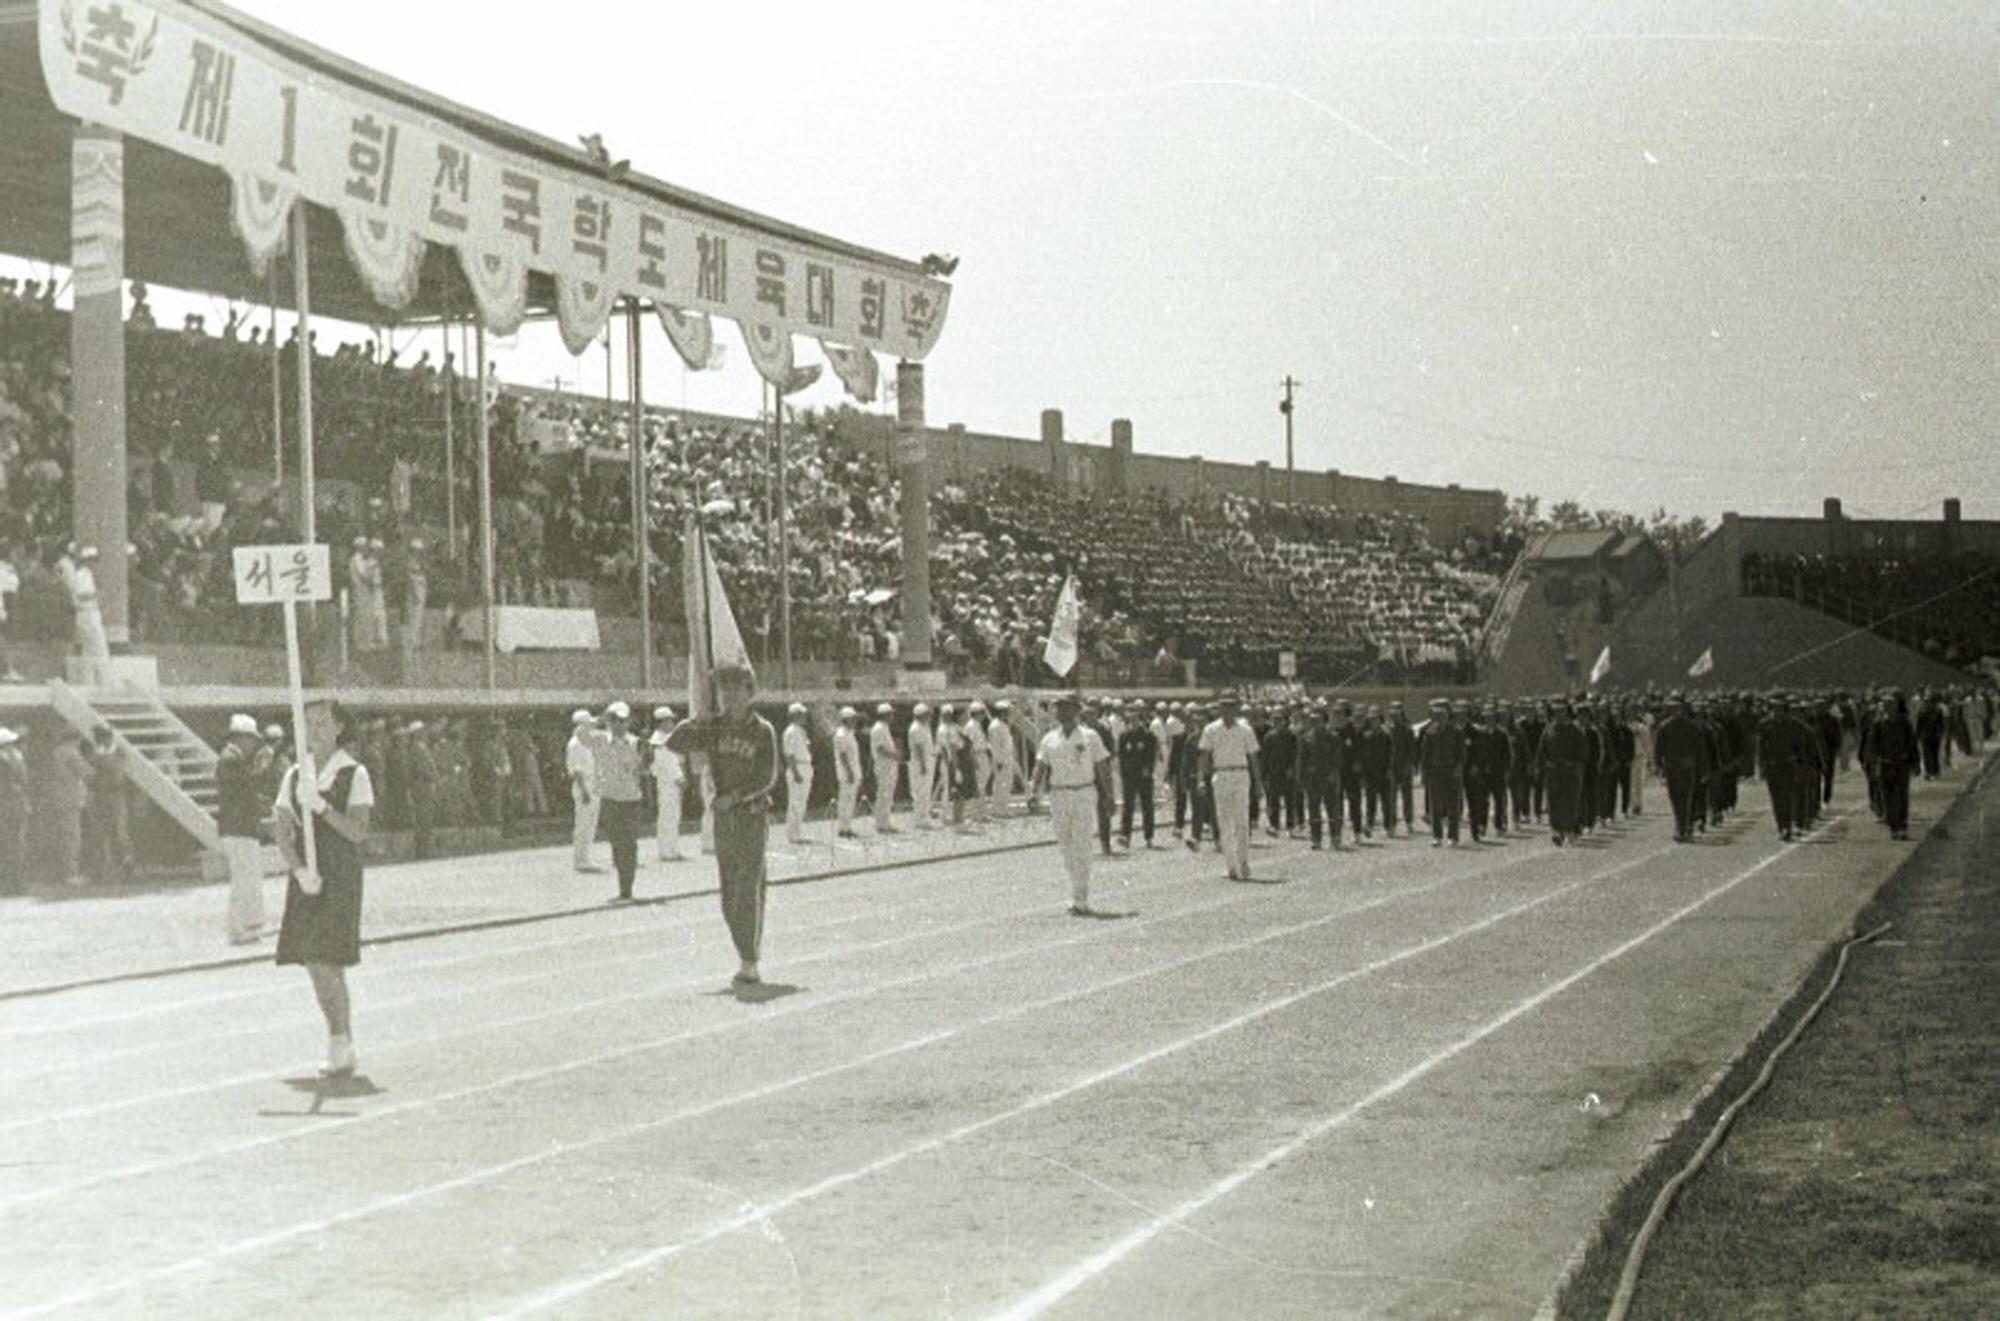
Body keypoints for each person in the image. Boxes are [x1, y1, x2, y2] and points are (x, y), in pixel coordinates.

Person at [273, 698, 374, 1078]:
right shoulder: (295, 775)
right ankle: (342, 1043)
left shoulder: (354, 774)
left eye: (321, 723)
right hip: (308, 877)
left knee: (323, 960)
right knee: (319, 963)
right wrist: (298, 869)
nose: (313, 731)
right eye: (308, 723)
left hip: (340, 873)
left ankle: (339, 1041)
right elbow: (282, 830)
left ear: (338, 729)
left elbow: (358, 831)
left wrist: (321, 808)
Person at [665, 663, 779, 985]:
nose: (729, 696)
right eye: (723, 690)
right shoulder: (714, 727)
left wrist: (738, 796)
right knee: (728, 895)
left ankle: (749, 959)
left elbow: (768, 776)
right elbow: (675, 743)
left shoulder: (762, 730)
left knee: (748, 889)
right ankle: (745, 951)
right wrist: (695, 719)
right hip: (723, 819)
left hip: (751, 816)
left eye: (735, 689)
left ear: (748, 692)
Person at [1030, 692, 1112, 915]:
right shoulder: (1049, 738)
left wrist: (1108, 796)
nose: (1062, 712)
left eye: (1067, 707)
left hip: (1083, 791)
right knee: (1065, 845)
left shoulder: (1089, 736)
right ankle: (1075, 891)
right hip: (1059, 794)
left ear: (1077, 711)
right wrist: (1033, 792)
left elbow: (1102, 767)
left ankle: (1080, 898)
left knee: (1082, 844)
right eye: (1059, 707)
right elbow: (1040, 766)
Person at [216, 712, 270, 943]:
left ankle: (246, 923)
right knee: (241, 878)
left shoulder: (234, 759)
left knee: (247, 877)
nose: (252, 745)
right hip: (237, 827)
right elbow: (242, 791)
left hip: (240, 827)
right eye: (250, 740)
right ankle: (237, 928)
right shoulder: (230, 759)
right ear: (241, 738)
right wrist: (259, 771)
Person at [1198, 694, 1263, 881]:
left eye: (1231, 706)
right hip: (1221, 773)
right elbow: (1204, 755)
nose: (1227, 710)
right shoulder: (1211, 729)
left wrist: (1258, 783)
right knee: (1223, 821)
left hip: (1240, 773)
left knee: (1242, 821)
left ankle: (1243, 861)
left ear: (1236, 708)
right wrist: (1202, 779)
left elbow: (1253, 757)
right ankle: (1231, 866)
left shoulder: (1245, 729)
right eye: (1224, 706)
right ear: (1219, 708)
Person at [597, 701, 644, 899]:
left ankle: (627, 890)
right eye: (614, 720)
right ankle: (622, 884)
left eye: (622, 721)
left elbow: (644, 767)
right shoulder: (600, 741)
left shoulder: (635, 743)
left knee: (629, 844)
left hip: (630, 800)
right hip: (610, 799)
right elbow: (580, 733)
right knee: (616, 843)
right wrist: (598, 719)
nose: (618, 725)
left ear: (628, 723)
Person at [82, 726, 134, 883]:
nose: (100, 741)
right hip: (99, 796)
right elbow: (89, 772)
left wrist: (101, 759)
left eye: (102, 737)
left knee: (119, 831)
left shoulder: (118, 752)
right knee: (99, 832)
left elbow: (116, 772)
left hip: (115, 795)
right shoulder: (96, 752)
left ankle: (126, 865)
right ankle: (102, 868)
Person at [49, 728, 91, 886]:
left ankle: (62, 872)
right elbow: (87, 772)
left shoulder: (56, 752)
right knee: (72, 838)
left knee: (63, 836)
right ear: (75, 739)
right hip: (71, 799)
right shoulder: (71, 753)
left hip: (59, 798)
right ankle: (70, 874)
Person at [1117, 698, 1160, 848]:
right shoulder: (1124, 736)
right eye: (1130, 718)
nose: (1133, 721)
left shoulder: (1148, 736)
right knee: (1127, 806)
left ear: (1140, 719)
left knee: (1147, 805)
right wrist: (1122, 773)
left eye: (1136, 718)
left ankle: (1149, 836)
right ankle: (1125, 835)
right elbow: (1121, 757)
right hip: (1129, 776)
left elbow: (1151, 755)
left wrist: (1148, 769)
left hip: (1144, 775)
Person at [68, 545, 112, 687]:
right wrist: (97, 594)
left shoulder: (88, 574)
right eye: (93, 560)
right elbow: (80, 595)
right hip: (87, 613)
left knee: (88, 651)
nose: (96, 563)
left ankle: (88, 683)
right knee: (100, 648)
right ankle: (105, 682)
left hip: (90, 613)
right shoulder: (83, 574)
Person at [648, 705, 688, 860]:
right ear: (662, 722)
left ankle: (672, 848)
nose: (672, 723)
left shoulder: (664, 739)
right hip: (668, 781)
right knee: (667, 816)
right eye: (669, 720)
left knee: (673, 815)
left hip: (669, 781)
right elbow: (669, 763)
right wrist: (679, 778)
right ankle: (666, 850)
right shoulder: (660, 741)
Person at [566, 708, 602, 872]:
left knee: (590, 824)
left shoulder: (585, 742)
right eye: (589, 725)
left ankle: (586, 858)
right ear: (581, 726)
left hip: (592, 784)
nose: (591, 728)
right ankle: (580, 860)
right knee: (583, 824)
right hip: (584, 786)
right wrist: (585, 791)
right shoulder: (575, 745)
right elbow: (577, 771)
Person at [0, 725, 28, 892]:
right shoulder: (12, 760)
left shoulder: (16, 758)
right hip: (9, 806)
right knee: (10, 844)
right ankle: (11, 882)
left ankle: (14, 881)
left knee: (15, 844)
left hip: (14, 806)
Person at [781, 703, 814, 843]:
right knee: (795, 802)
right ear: (796, 716)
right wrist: (795, 772)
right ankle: (792, 834)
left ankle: (797, 832)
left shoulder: (801, 731)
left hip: (805, 765)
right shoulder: (790, 731)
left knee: (802, 802)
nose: (805, 717)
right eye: (802, 715)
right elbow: (789, 754)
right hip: (798, 766)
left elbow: (807, 748)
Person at [869, 703, 901, 833]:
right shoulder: (878, 728)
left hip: (889, 765)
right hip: (884, 765)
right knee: (884, 794)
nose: (892, 716)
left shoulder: (884, 728)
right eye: (890, 714)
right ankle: (881, 824)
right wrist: (894, 754)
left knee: (888, 795)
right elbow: (880, 748)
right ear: (886, 715)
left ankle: (885, 822)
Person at [833, 706, 862, 838]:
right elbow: (843, 755)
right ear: (846, 720)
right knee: (845, 800)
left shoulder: (849, 733)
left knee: (850, 800)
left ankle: (847, 826)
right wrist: (849, 772)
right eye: (853, 719)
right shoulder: (841, 734)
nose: (855, 721)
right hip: (847, 772)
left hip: (852, 770)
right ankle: (843, 827)